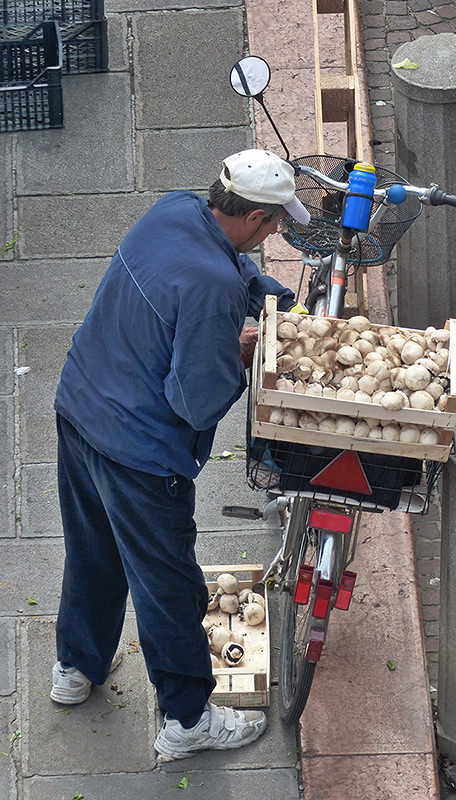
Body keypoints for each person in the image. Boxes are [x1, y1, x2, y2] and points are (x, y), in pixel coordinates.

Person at [50, 149, 310, 760]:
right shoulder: (212, 287)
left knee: (92, 547)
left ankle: (76, 665)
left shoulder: (176, 210)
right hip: (139, 454)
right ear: (252, 218)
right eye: (274, 223)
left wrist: (273, 300)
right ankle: (188, 721)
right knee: (167, 585)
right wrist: (239, 354)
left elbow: (231, 276)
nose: (274, 233)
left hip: (79, 406)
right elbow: (194, 402)